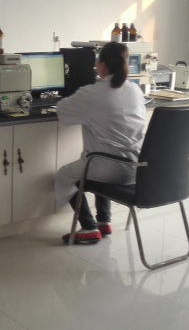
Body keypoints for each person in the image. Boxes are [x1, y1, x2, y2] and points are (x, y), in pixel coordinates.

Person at [55, 42, 146, 244]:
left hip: (107, 168)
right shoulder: (135, 89)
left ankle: (89, 226)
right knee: (99, 159)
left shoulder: (92, 93)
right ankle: (104, 221)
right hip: (137, 167)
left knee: (65, 175)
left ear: (102, 64)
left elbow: (62, 111)